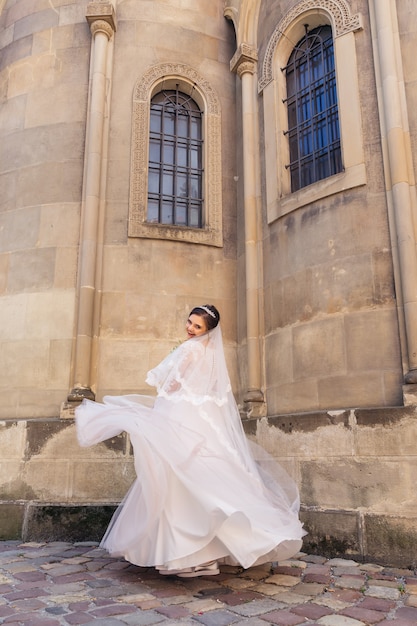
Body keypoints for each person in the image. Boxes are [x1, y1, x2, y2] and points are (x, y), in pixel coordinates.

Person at [76, 305, 305, 577]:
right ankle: (208, 555)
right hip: (202, 420)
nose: (190, 329)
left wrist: (163, 399)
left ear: (207, 330)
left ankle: (186, 557)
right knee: (200, 480)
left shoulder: (189, 350)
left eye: (197, 326)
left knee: (178, 479)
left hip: (182, 416)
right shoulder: (210, 354)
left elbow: (174, 384)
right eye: (189, 322)